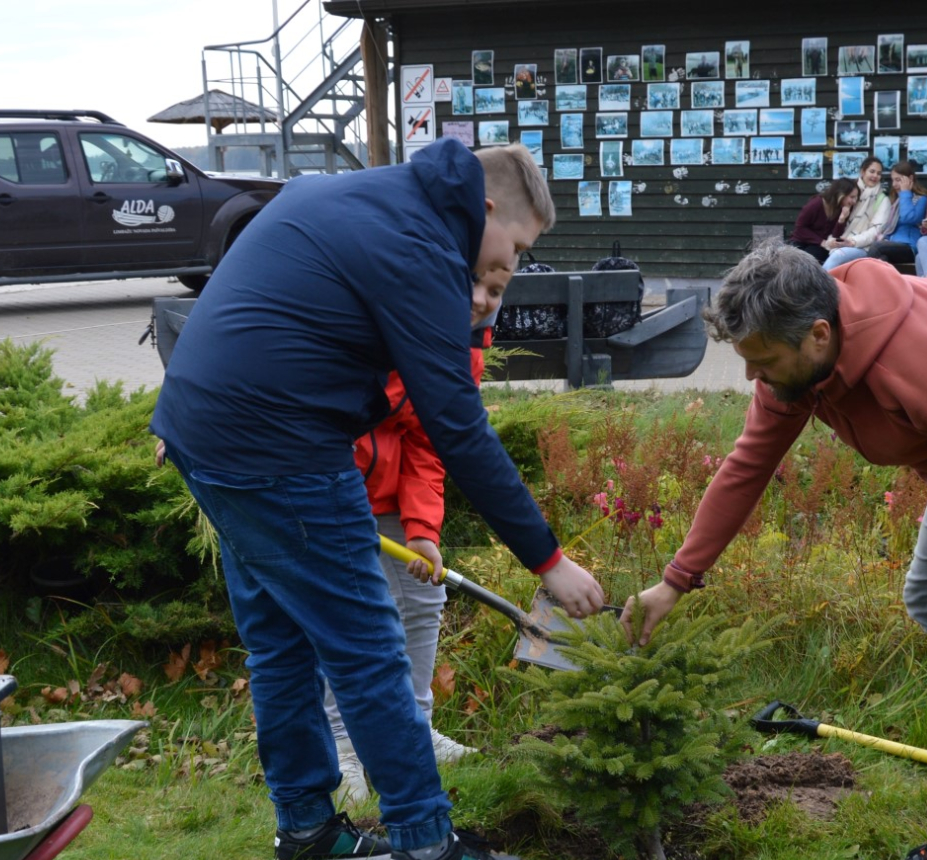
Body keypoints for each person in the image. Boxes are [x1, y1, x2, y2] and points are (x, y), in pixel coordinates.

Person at [151, 139, 605, 860]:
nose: (510, 269)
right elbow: (457, 427)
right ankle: (427, 842)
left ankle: (305, 831)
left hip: (201, 430)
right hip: (282, 447)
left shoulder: (362, 197)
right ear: (483, 208)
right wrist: (548, 561)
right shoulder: (420, 245)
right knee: (367, 649)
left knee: (279, 641)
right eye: (513, 249)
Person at [622, 243, 927, 860]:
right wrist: (677, 580)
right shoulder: (796, 362)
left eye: (763, 361)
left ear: (819, 335)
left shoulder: (917, 364)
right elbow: (746, 467)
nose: (751, 378)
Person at [326, 296, 504, 807]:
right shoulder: (377, 311)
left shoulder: (465, 346)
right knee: (344, 615)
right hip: (326, 488)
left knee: (424, 600)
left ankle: (416, 727)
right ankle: (342, 745)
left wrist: (422, 526)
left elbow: (429, 440)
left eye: (499, 284)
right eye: (479, 281)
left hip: (391, 498)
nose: (485, 298)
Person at [822, 157, 893, 270]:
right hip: (839, 241)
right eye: (872, 171)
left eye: (879, 173)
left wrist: (853, 242)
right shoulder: (850, 192)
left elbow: (876, 231)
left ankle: (819, 286)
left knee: (837, 257)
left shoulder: (883, 200)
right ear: (862, 171)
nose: (875, 176)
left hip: (864, 247)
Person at [865, 161, 927, 269]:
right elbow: (889, 226)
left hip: (909, 247)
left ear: (910, 179)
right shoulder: (896, 200)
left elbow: (908, 218)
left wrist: (905, 192)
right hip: (892, 245)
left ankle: (864, 284)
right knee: (881, 261)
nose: (894, 184)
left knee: (877, 247)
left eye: (898, 180)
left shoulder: (921, 199)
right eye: (893, 180)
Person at [790, 178, 858, 263]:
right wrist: (822, 242)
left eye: (856, 197)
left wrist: (841, 219)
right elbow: (800, 228)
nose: (854, 201)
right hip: (802, 242)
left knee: (813, 258)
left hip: (822, 247)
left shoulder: (845, 209)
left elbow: (836, 236)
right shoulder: (816, 204)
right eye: (852, 197)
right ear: (841, 194)